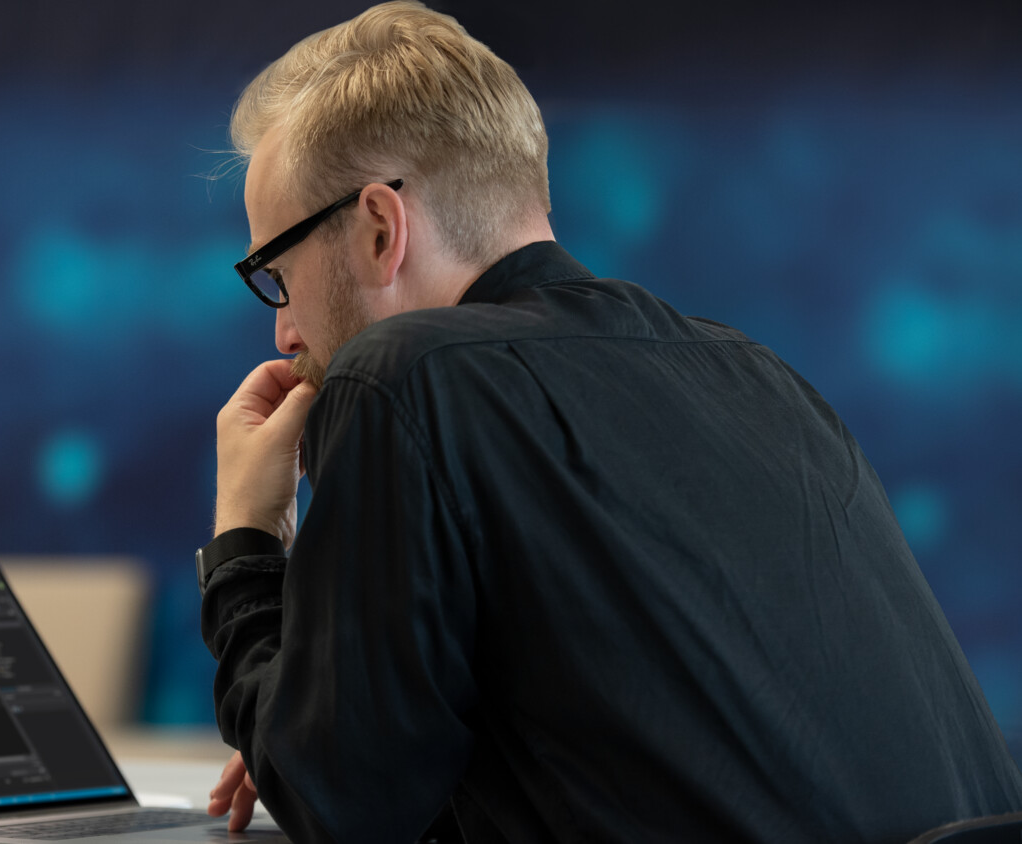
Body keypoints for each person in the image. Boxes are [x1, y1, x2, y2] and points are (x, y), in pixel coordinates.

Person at [194, 2, 1022, 842]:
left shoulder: (402, 375)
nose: (284, 331)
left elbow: (344, 813)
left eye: (278, 274)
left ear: (380, 228)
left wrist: (247, 544)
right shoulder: (759, 374)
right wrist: (315, 712)